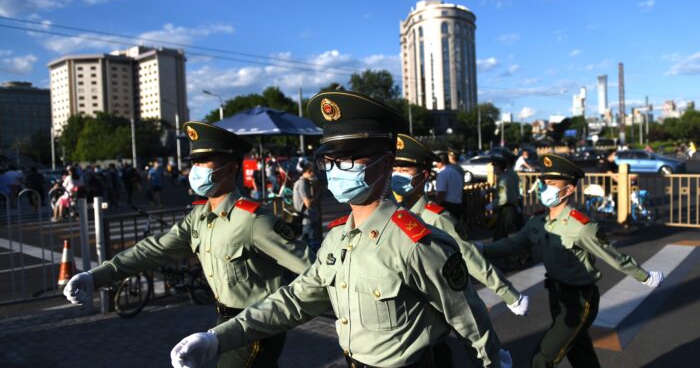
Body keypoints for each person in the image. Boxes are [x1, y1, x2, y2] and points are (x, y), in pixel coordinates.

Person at [170, 92, 511, 368]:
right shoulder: (337, 239)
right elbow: (293, 300)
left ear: (387, 162)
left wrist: (495, 361)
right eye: (330, 160)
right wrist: (218, 338)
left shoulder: (414, 242)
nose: (336, 170)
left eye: (351, 158)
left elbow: (468, 318)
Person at [63, 121, 314, 367]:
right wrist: (96, 277)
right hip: (224, 319)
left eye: (204, 161)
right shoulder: (199, 217)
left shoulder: (252, 220)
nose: (197, 169)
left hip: (258, 328)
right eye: (194, 162)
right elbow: (153, 250)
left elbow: (314, 269)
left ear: (230, 167)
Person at [477, 154, 665, 368]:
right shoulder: (538, 221)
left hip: (579, 300)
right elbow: (511, 244)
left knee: (542, 358)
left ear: (568, 190)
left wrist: (645, 277)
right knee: (579, 351)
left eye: (552, 184)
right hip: (556, 295)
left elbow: (614, 257)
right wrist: (480, 248)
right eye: (544, 183)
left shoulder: (581, 226)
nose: (544, 188)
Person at [391, 134, 529, 319]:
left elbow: (469, 257)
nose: (397, 174)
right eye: (395, 169)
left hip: (435, 307)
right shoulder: (392, 211)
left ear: (423, 175)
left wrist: (509, 295)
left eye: (405, 169)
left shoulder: (435, 218)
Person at [292, 163, 320, 245]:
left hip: (307, 219)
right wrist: (318, 193)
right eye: (313, 172)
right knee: (312, 245)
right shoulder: (302, 183)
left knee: (308, 243)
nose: (314, 174)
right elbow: (308, 203)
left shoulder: (302, 182)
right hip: (308, 220)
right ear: (309, 171)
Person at [435, 152, 464, 221]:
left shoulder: (443, 173)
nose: (436, 165)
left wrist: (436, 205)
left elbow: (441, 192)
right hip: (458, 204)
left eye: (436, 162)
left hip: (448, 206)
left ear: (441, 162)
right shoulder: (455, 172)